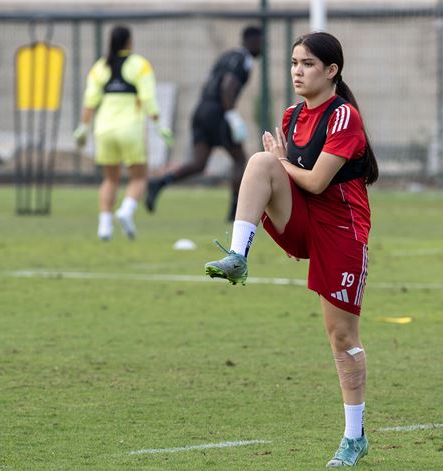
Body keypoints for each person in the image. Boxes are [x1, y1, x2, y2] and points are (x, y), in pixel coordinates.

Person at [204, 32, 378, 468]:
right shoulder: (290, 115)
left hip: (342, 231)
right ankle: (239, 256)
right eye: (294, 63)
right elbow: (292, 177)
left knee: (342, 338)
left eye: (308, 64)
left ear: (332, 71)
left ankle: (354, 437)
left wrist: (284, 164)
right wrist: (279, 164)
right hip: (302, 223)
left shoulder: (344, 117)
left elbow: (318, 181)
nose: (297, 71)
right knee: (260, 161)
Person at [145, 26, 264, 221]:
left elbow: (207, 83)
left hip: (201, 110)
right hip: (219, 112)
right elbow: (228, 86)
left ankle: (159, 183)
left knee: (199, 163)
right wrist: (232, 116)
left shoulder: (225, 56)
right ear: (251, 41)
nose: (262, 47)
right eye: (261, 42)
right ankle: (235, 213)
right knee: (240, 160)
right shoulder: (244, 60)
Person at [73, 25, 173, 241]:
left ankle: (104, 227)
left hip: (104, 129)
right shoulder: (140, 65)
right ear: (129, 42)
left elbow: (90, 100)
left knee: (110, 179)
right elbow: (147, 98)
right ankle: (126, 211)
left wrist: (83, 126)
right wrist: (158, 124)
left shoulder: (100, 67)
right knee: (139, 177)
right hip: (130, 129)